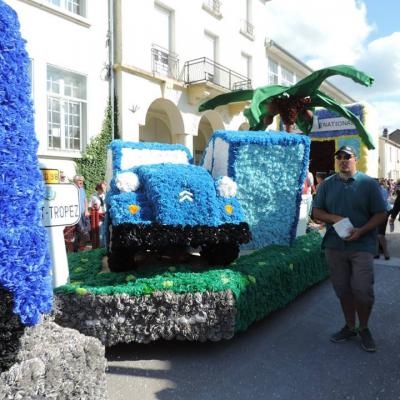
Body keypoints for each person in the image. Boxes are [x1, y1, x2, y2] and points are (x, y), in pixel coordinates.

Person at [312, 146, 387, 352]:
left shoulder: (368, 184)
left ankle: (364, 327)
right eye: (340, 157)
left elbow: (381, 214)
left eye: (347, 157)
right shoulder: (327, 185)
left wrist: (362, 231)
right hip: (335, 246)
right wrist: (334, 217)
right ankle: (350, 326)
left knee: (362, 290)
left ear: (356, 159)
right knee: (343, 289)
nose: (343, 160)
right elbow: (316, 211)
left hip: (362, 245)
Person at [73, 175, 90, 252]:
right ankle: (79, 247)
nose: (81, 182)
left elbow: (85, 200)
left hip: (83, 212)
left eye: (82, 180)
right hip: (76, 214)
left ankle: (81, 246)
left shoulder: (82, 189)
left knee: (88, 228)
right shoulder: (72, 189)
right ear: (75, 181)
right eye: (80, 180)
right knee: (81, 229)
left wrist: (86, 210)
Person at [375, 178, 391, 260]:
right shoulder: (373, 191)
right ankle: (376, 253)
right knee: (375, 234)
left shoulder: (382, 191)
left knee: (380, 234)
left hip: (383, 212)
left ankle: (386, 252)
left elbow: (382, 203)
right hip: (375, 213)